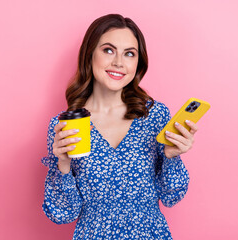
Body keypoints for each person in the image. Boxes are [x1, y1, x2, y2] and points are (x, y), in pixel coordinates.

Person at [41, 14, 198, 239]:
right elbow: (62, 214)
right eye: (108, 50)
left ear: (138, 63)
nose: (118, 62)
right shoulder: (65, 125)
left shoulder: (154, 115)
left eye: (129, 54)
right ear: (89, 54)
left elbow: (171, 196)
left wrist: (172, 157)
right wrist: (62, 165)